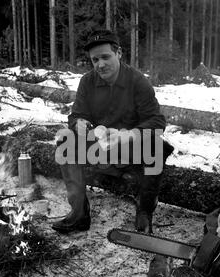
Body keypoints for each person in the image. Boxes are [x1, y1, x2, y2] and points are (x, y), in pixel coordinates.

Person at [52, 29, 173, 234]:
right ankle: (79, 213)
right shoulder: (87, 82)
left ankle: (145, 213)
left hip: (132, 150)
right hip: (100, 147)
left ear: (119, 53)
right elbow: (76, 115)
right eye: (95, 59)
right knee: (65, 141)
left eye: (105, 57)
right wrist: (78, 123)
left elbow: (157, 121)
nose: (100, 64)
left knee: (156, 146)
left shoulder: (137, 81)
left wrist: (127, 135)